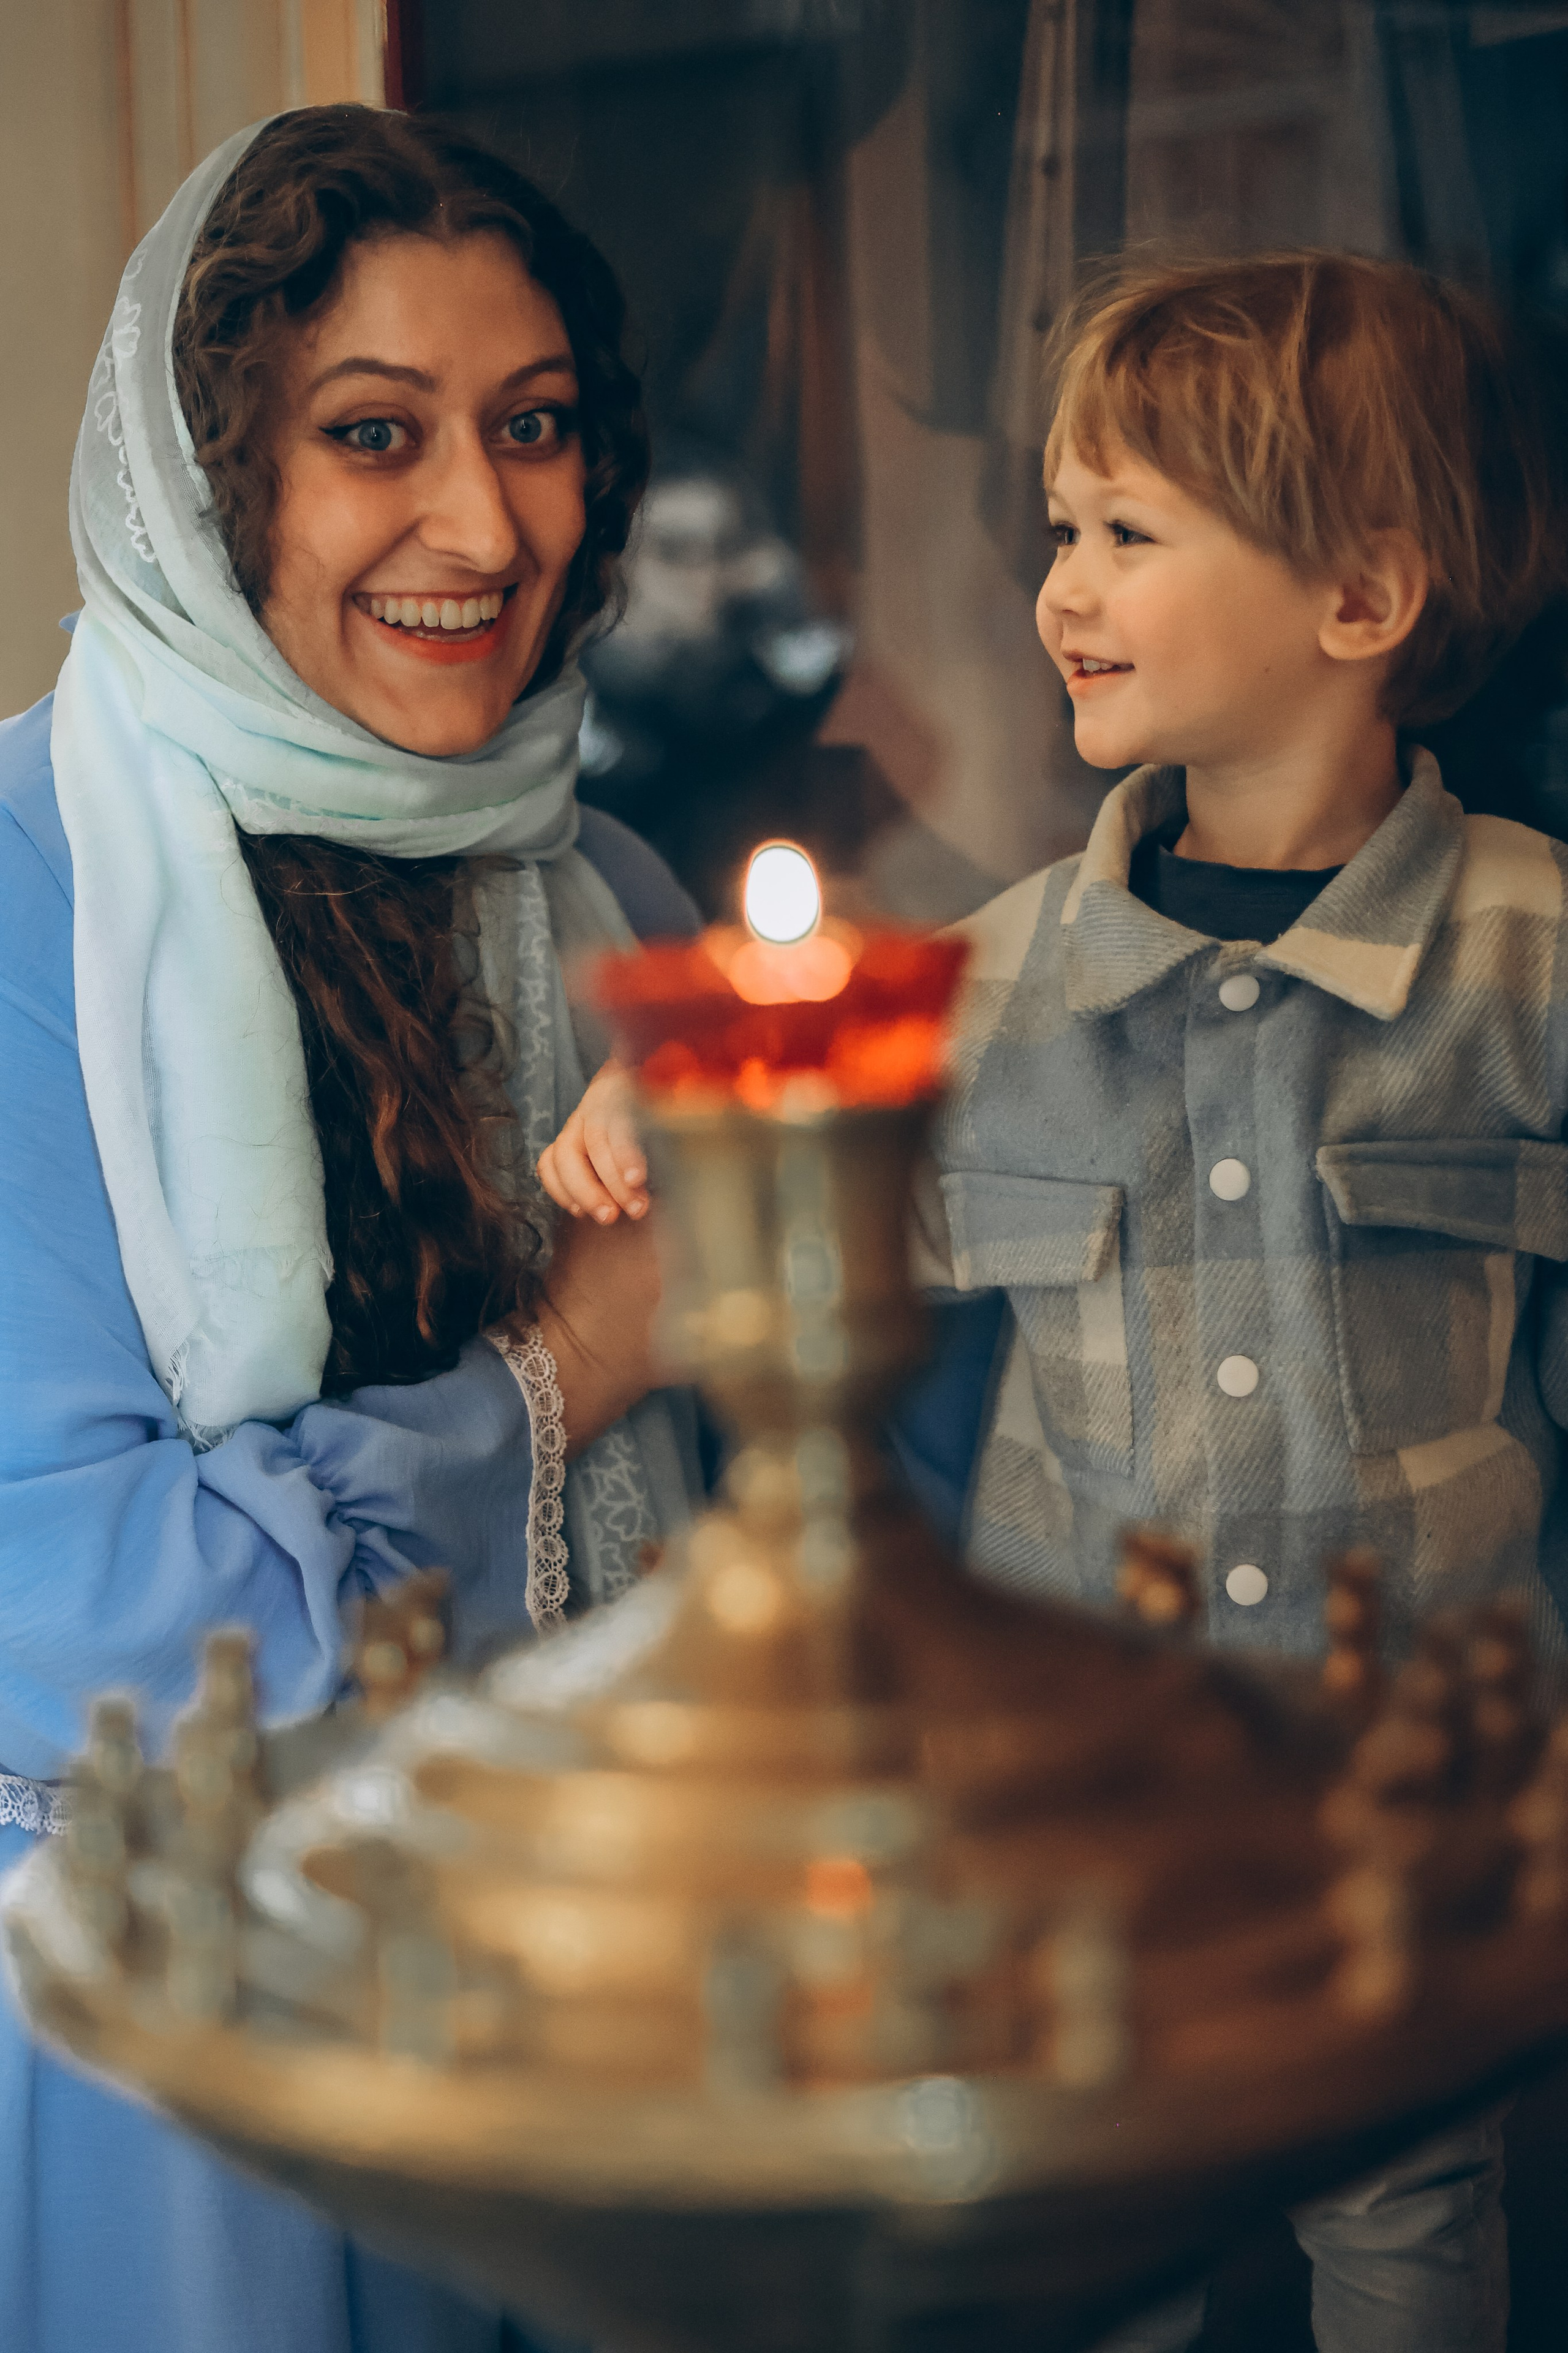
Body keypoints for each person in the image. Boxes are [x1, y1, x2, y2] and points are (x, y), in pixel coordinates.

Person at [545, 251, 1568, 2352]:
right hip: (1077, 1792)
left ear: (1358, 602)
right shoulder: (988, 981)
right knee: (1096, 2228)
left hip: (1408, 1782)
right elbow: (803, 1165)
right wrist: (684, 1096)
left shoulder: (1535, 960)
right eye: (1055, 531)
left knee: (1413, 2211)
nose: (1055, 589)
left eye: (1122, 535)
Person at [0, 105, 698, 2353]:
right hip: (186, 2067)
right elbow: (74, 1611)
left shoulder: (613, 897)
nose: (482, 524)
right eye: (372, 435)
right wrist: (580, 1363)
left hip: (593, 2026)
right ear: (212, 484)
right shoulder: (32, 902)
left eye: (539, 427)